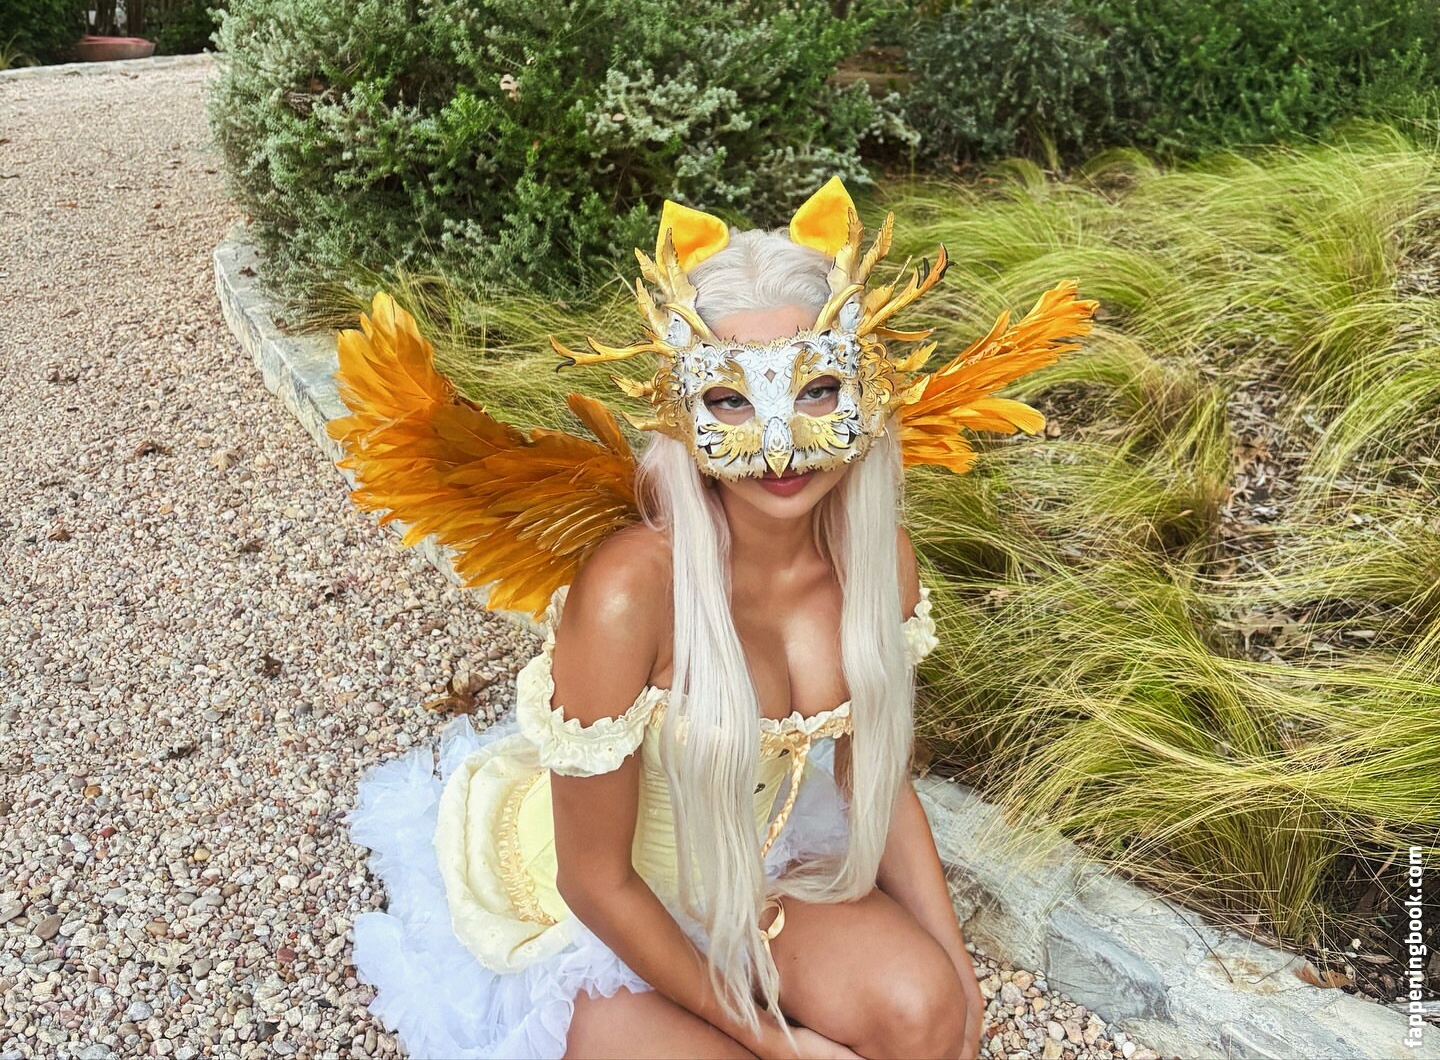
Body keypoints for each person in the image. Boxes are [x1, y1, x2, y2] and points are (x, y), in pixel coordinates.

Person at [331, 177, 1098, 1060]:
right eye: (731, 400)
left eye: (816, 391)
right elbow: (596, 880)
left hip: (757, 867)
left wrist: (962, 984)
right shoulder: (630, 592)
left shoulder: (879, 562)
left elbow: (876, 783)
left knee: (929, 1015)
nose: (778, 444)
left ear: (864, 394)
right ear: (682, 413)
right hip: (593, 915)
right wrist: (779, 1044)